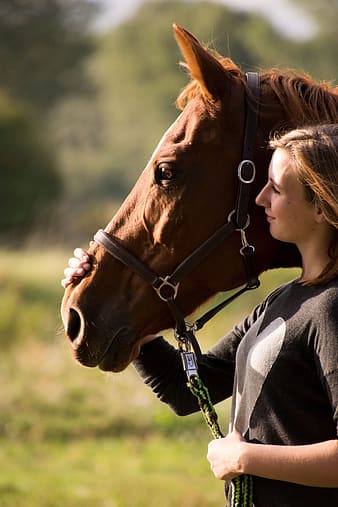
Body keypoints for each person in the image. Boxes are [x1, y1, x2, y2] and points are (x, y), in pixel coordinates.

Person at [62, 124, 338, 506]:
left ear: (322, 206)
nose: (259, 199)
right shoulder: (284, 300)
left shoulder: (332, 309)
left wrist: (247, 458)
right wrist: (101, 296)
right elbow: (185, 388)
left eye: (275, 188)